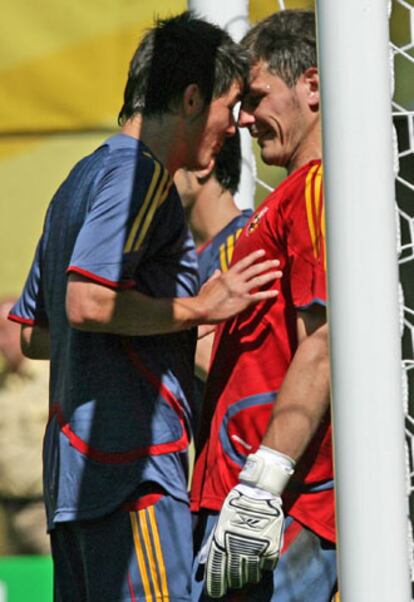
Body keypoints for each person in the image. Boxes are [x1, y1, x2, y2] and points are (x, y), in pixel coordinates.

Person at [8, 11, 281, 602]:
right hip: (133, 479)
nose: (232, 127)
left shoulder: (79, 180)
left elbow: (34, 332)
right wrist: (198, 309)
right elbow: (87, 302)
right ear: (189, 98)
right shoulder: (142, 177)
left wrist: (140, 331)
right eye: (227, 106)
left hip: (74, 489)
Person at [190, 10, 337, 601]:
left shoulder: (317, 188)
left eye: (255, 97)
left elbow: (325, 345)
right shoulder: (290, 197)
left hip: (278, 511)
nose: (245, 118)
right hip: (249, 502)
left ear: (313, 85)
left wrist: (261, 486)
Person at [174, 132, 253, 424]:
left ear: (204, 163)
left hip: (242, 454)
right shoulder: (183, 261)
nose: (154, 175)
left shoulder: (244, 245)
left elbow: (235, 368)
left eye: (167, 160)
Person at [0, 299, 49, 555]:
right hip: (7, 511)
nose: (1, 342)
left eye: (4, 331)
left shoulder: (51, 379)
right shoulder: (3, 385)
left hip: (43, 511)